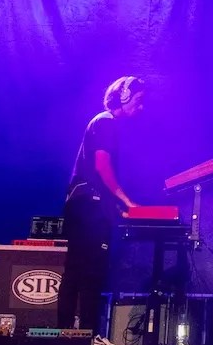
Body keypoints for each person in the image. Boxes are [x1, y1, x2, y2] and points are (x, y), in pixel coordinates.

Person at [57, 75, 147, 330]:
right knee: (92, 274)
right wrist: (126, 200)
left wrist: (115, 206)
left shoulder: (101, 123)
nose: (140, 108)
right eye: (138, 101)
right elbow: (101, 165)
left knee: (74, 271)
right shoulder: (107, 123)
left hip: (82, 204)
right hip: (89, 208)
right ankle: (88, 337)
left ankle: (65, 336)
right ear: (125, 96)